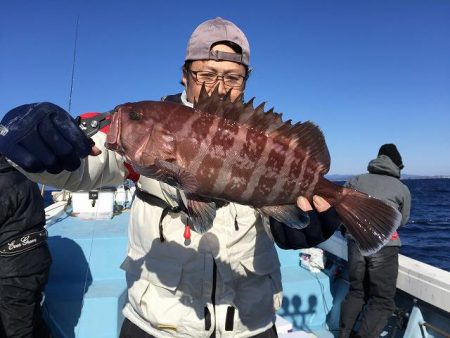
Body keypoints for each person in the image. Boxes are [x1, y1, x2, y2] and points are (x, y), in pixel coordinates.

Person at [0, 18, 342, 338]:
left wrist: (305, 221)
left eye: (233, 77)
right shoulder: (147, 123)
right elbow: (84, 166)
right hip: (156, 323)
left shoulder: (261, 139)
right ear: (184, 74)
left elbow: (281, 210)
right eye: (206, 73)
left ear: (245, 81)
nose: (219, 87)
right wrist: (32, 143)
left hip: (250, 323)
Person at [339, 144, 411, 338]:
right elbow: (401, 221)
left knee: (356, 291)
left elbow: (340, 208)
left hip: (355, 242)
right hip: (384, 246)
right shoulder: (401, 188)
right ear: (397, 165)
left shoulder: (355, 180)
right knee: (383, 300)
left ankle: (344, 334)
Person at [0, 154, 52, 338]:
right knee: (32, 322)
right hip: (34, 262)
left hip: (13, 272)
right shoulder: (21, 174)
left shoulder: (3, 183)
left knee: (18, 330)